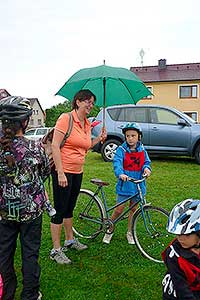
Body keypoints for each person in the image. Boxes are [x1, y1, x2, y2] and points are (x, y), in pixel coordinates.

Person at [0, 96, 51, 300]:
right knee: (30, 254)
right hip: (31, 212)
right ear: (25, 121)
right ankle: (30, 294)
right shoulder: (36, 147)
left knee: (4, 254)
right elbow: (44, 173)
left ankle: (7, 293)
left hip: (4, 212)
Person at [50, 89, 107, 264]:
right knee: (59, 209)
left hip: (77, 171)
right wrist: (60, 172)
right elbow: (55, 145)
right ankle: (56, 250)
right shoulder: (66, 118)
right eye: (88, 102)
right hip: (63, 171)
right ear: (78, 102)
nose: (91, 105)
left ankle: (69, 240)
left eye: (92, 102)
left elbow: (85, 145)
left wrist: (99, 139)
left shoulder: (86, 123)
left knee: (70, 207)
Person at [103, 122, 151, 244]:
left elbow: (146, 162)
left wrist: (146, 169)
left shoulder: (142, 150)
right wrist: (121, 174)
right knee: (119, 210)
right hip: (125, 185)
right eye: (128, 136)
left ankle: (130, 232)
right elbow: (117, 163)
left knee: (133, 209)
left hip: (138, 185)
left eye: (133, 135)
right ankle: (110, 229)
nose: (130, 138)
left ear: (139, 136)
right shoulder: (121, 150)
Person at [162, 199, 200, 300]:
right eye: (178, 234)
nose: (180, 239)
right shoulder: (174, 256)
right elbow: (182, 289)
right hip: (179, 292)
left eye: (186, 235)